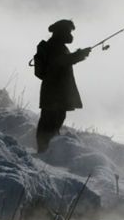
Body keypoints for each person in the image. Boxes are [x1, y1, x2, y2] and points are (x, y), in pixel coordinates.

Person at [36, 19, 91, 153]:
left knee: (54, 119)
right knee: (51, 121)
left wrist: (78, 54)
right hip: (54, 93)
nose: (71, 35)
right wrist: (79, 55)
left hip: (55, 92)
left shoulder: (56, 45)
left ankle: (47, 149)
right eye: (69, 31)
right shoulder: (55, 46)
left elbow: (63, 60)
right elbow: (61, 61)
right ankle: (45, 150)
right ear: (62, 32)